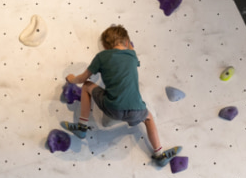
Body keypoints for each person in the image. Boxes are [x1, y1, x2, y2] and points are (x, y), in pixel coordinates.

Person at [62, 24, 181, 166]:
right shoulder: (132, 56)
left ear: (105, 46)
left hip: (113, 108)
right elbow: (131, 48)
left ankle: (82, 127)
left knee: (87, 86)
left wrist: (71, 78)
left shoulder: (101, 57)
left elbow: (81, 79)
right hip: (137, 110)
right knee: (148, 118)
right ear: (127, 41)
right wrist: (129, 45)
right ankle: (159, 154)